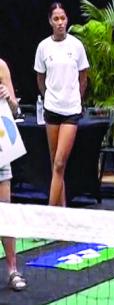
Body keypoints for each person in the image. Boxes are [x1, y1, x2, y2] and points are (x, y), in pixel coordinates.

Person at [34, 2, 89, 207]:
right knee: (56, 166)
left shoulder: (76, 45)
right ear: (50, 21)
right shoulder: (43, 47)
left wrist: (77, 99)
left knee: (59, 162)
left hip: (71, 111)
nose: (60, 22)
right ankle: (62, 212)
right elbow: (40, 78)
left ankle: (50, 214)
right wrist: (48, 96)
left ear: (67, 20)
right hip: (51, 109)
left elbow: (83, 77)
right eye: (56, 19)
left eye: (63, 18)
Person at [0, 59, 26, 291]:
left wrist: (8, 97)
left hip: (0, 151)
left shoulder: (1, 66)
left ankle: (12, 270)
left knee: (5, 212)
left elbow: (16, 110)